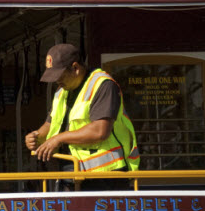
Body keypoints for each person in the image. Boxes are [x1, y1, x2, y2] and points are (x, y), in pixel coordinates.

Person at [25, 43, 139, 187]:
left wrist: (59, 139)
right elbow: (51, 123)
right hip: (71, 171)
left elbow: (100, 130)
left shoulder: (103, 85)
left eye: (59, 75)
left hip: (106, 175)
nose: (56, 81)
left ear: (75, 68)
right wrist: (37, 136)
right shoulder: (61, 91)